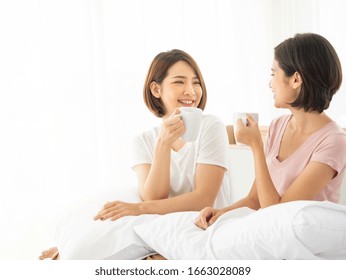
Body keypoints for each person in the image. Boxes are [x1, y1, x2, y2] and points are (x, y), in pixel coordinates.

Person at [39, 49, 231, 259]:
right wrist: (163, 145)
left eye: (196, 83)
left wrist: (137, 208)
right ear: (156, 89)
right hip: (167, 231)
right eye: (179, 82)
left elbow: (202, 199)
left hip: (206, 227)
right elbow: (154, 197)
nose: (191, 91)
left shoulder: (211, 126)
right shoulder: (144, 141)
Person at [195, 33, 346, 230]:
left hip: (299, 240)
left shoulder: (334, 141)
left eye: (273, 74)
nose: (270, 83)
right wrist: (222, 212)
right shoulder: (278, 125)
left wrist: (256, 146)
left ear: (296, 80)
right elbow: (255, 199)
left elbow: (279, 214)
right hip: (269, 232)